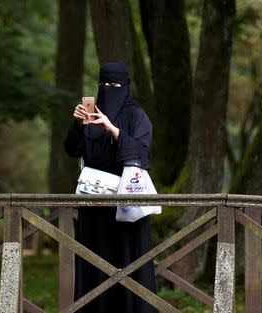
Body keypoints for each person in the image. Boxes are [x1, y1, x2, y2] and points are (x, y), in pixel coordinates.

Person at [64, 62, 157, 313]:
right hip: (94, 208)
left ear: (126, 87)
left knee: (128, 265)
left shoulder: (137, 115)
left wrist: (113, 130)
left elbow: (142, 153)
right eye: (104, 85)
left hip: (126, 207)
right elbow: (72, 150)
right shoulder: (91, 114)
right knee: (94, 267)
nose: (109, 90)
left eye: (115, 86)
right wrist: (77, 125)